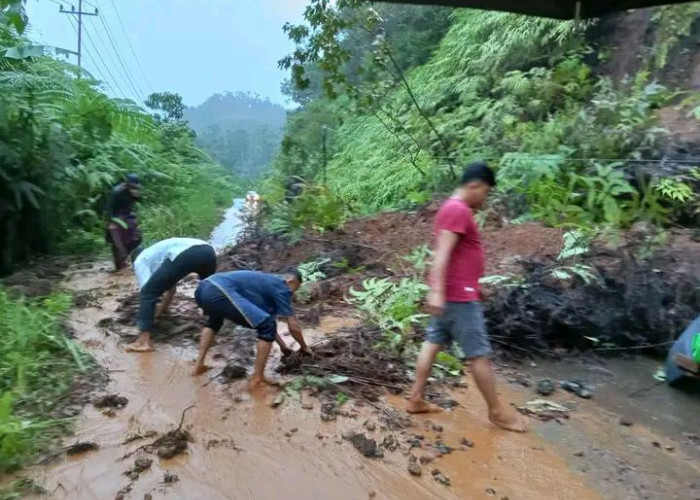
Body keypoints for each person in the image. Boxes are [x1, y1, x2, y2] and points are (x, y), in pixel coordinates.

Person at [406, 161, 528, 433]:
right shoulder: (457, 210)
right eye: (486, 192)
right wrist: (437, 290)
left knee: (432, 343)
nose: (485, 199)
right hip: (458, 298)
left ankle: (415, 398)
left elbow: (457, 257)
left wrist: (474, 286)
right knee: (478, 355)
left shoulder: (451, 209)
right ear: (475, 185)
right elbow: (442, 253)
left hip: (454, 293)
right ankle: (497, 413)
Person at [192, 269, 312, 389]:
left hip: (203, 287)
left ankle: (199, 365)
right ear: (290, 281)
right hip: (219, 291)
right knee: (267, 325)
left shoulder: (266, 283)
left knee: (215, 321)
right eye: (294, 289)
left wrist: (282, 346)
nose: (291, 294)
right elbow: (293, 326)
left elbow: (265, 319)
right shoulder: (282, 286)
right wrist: (304, 347)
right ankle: (258, 378)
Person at [126, 238, 217, 353]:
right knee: (209, 290)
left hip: (187, 252)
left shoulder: (140, 260)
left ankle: (143, 342)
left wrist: (149, 317)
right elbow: (171, 290)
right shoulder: (156, 256)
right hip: (208, 251)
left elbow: (148, 292)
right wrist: (160, 312)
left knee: (148, 292)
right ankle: (212, 327)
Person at [106, 174, 142, 271]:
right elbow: (109, 207)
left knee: (136, 238)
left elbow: (136, 201)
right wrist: (111, 220)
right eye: (132, 187)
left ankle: (127, 258)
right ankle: (119, 263)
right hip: (116, 217)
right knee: (117, 241)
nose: (134, 188)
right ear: (127, 184)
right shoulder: (117, 192)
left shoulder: (134, 191)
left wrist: (136, 196)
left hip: (128, 216)